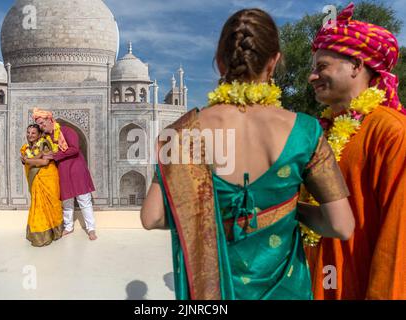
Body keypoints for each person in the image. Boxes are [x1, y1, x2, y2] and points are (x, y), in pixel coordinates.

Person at [141, 8, 354, 300]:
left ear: (219, 62)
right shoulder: (306, 132)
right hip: (287, 291)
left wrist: (207, 212)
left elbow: (152, 217)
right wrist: (289, 209)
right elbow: (341, 226)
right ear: (275, 60)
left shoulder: (180, 133)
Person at [304, 3, 406, 300]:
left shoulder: (391, 132)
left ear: (357, 65)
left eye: (321, 66)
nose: (311, 77)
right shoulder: (321, 133)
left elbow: (398, 241)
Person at [32, 108, 98, 241]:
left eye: (42, 122)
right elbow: (41, 153)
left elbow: (74, 149)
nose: (41, 126)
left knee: (84, 200)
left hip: (76, 169)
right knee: (67, 201)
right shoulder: (45, 138)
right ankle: (68, 227)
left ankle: (91, 229)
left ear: (50, 120)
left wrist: (54, 155)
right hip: (62, 171)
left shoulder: (67, 131)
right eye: (39, 124)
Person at [20, 124, 63, 247]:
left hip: (48, 177)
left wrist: (27, 160)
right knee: (37, 204)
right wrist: (28, 160)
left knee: (50, 204)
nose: (30, 135)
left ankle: (52, 232)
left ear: (39, 134)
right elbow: (25, 159)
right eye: (28, 132)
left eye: (33, 133)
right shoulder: (25, 148)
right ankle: (39, 233)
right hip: (35, 178)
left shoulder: (44, 144)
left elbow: (45, 161)